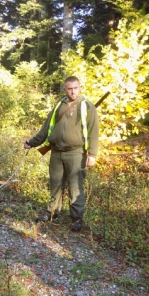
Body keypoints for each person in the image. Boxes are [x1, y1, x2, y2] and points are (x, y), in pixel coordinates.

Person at [24, 76, 99, 232]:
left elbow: (94, 132)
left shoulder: (87, 106)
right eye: (69, 88)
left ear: (80, 87)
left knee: (75, 187)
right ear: (65, 89)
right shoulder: (59, 105)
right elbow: (46, 128)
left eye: (75, 88)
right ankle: (52, 213)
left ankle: (77, 219)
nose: (73, 91)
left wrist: (92, 154)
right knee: (55, 184)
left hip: (76, 152)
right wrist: (31, 142)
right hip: (56, 152)